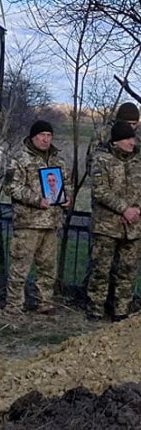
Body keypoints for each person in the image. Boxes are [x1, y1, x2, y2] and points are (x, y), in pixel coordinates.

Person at [4, 120, 70, 317]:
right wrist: (36, 199)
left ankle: (44, 302)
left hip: (51, 222)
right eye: (42, 135)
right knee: (20, 266)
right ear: (33, 137)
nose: (45, 139)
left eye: (49, 135)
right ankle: (14, 305)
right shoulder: (19, 159)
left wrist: (67, 197)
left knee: (48, 267)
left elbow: (66, 183)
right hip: (28, 223)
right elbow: (11, 187)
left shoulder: (58, 161)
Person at [87, 121, 141, 322]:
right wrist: (123, 209)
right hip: (107, 226)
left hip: (133, 227)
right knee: (101, 270)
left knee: (127, 271)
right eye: (127, 139)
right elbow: (100, 190)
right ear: (116, 141)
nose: (132, 142)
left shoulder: (138, 161)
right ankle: (95, 309)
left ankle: (121, 311)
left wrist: (136, 210)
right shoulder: (102, 159)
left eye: (133, 138)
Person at [86, 102, 139, 175]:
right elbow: (91, 160)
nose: (131, 127)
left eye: (134, 124)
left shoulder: (137, 136)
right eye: (128, 123)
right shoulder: (103, 134)